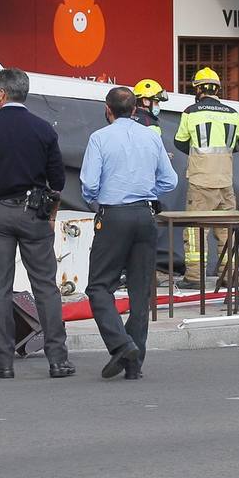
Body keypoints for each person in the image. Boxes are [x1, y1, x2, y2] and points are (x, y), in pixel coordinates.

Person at [0, 68, 74, 381]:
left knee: (0, 286)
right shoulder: (42, 129)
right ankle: (58, 360)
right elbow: (57, 181)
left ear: (0, 93)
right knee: (46, 287)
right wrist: (50, 216)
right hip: (34, 212)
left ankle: (4, 362)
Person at [80, 87, 178, 381]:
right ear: (135, 110)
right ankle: (134, 364)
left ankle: (122, 345)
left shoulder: (99, 138)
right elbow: (169, 180)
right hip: (145, 215)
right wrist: (147, 193)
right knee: (139, 290)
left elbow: (89, 184)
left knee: (98, 286)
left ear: (108, 110)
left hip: (114, 216)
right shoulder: (151, 136)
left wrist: (100, 201)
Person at [174, 67, 239, 286]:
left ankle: (194, 277)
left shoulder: (191, 112)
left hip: (201, 180)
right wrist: (230, 150)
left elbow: (180, 141)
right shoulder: (232, 113)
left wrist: (198, 154)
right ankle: (228, 276)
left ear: (199, 89)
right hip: (225, 181)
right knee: (226, 230)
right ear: (217, 89)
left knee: (195, 229)